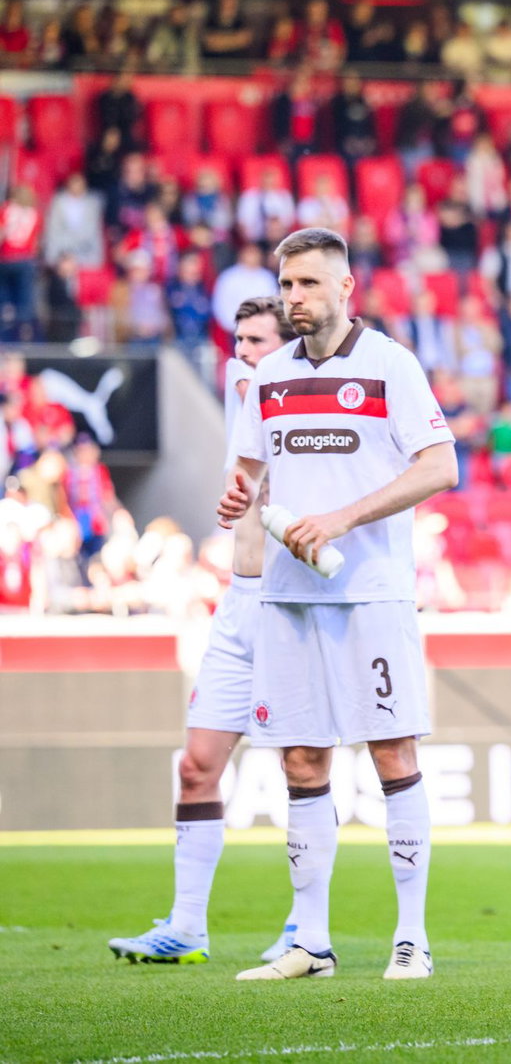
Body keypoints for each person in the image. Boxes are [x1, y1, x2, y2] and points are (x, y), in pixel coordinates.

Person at [218, 228, 457, 981]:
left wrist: (345, 518)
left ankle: (412, 938)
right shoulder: (272, 375)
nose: (295, 299)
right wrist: (239, 493)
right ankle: (310, 943)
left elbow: (441, 465)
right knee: (300, 758)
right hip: (287, 597)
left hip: (369, 591)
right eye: (287, 285)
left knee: (391, 753)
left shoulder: (390, 364)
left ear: (346, 288)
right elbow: (256, 469)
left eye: (309, 285)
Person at [108, 298, 300, 965]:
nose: (242, 352)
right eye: (239, 339)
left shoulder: (306, 414)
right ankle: (187, 925)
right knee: (196, 766)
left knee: (302, 766)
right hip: (239, 603)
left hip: (293, 607)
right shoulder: (244, 404)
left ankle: (307, 927)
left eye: (256, 340)